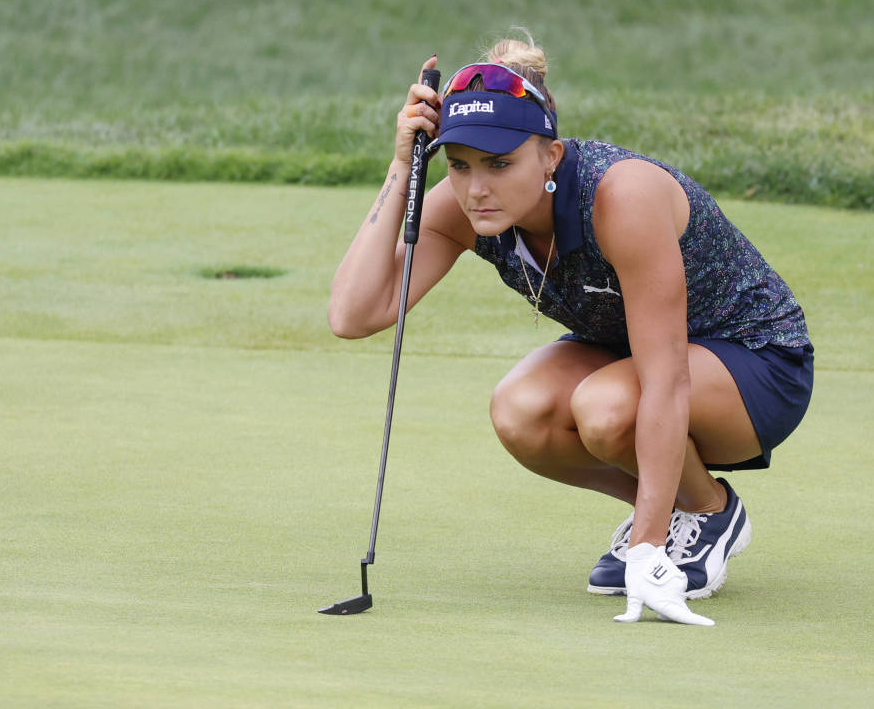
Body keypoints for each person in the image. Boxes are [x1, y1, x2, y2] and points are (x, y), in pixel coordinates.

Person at [329, 35, 812, 626]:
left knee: (605, 409)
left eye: (500, 164)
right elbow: (353, 315)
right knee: (520, 410)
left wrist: (647, 550)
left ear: (551, 155)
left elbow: (665, 379)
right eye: (460, 165)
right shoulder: (468, 208)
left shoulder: (621, 196)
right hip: (632, 361)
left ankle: (699, 515)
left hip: (756, 362)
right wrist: (404, 165)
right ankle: (696, 509)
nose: (477, 188)